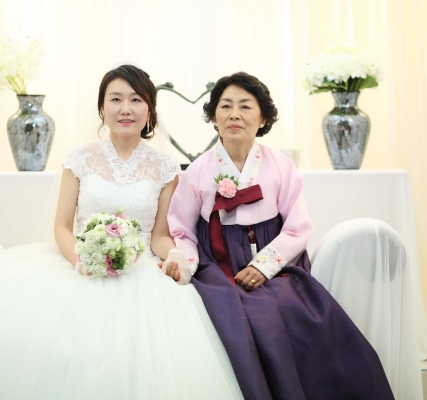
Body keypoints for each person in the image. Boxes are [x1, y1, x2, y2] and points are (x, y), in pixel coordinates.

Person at [0, 65, 243, 400]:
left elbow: (159, 237)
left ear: (149, 109)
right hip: (80, 266)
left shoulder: (165, 167)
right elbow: (62, 226)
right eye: (116, 99)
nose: (126, 108)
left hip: (142, 274)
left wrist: (176, 255)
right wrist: (82, 258)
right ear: (102, 108)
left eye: (136, 99)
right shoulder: (80, 158)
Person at [167, 72, 395, 400]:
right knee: (233, 318)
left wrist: (264, 266)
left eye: (245, 106)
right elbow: (181, 229)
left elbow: (297, 227)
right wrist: (187, 264)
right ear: (214, 116)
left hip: (277, 265)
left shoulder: (281, 166)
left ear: (263, 118)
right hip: (217, 267)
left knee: (304, 316)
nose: (234, 114)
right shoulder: (197, 171)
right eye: (225, 106)